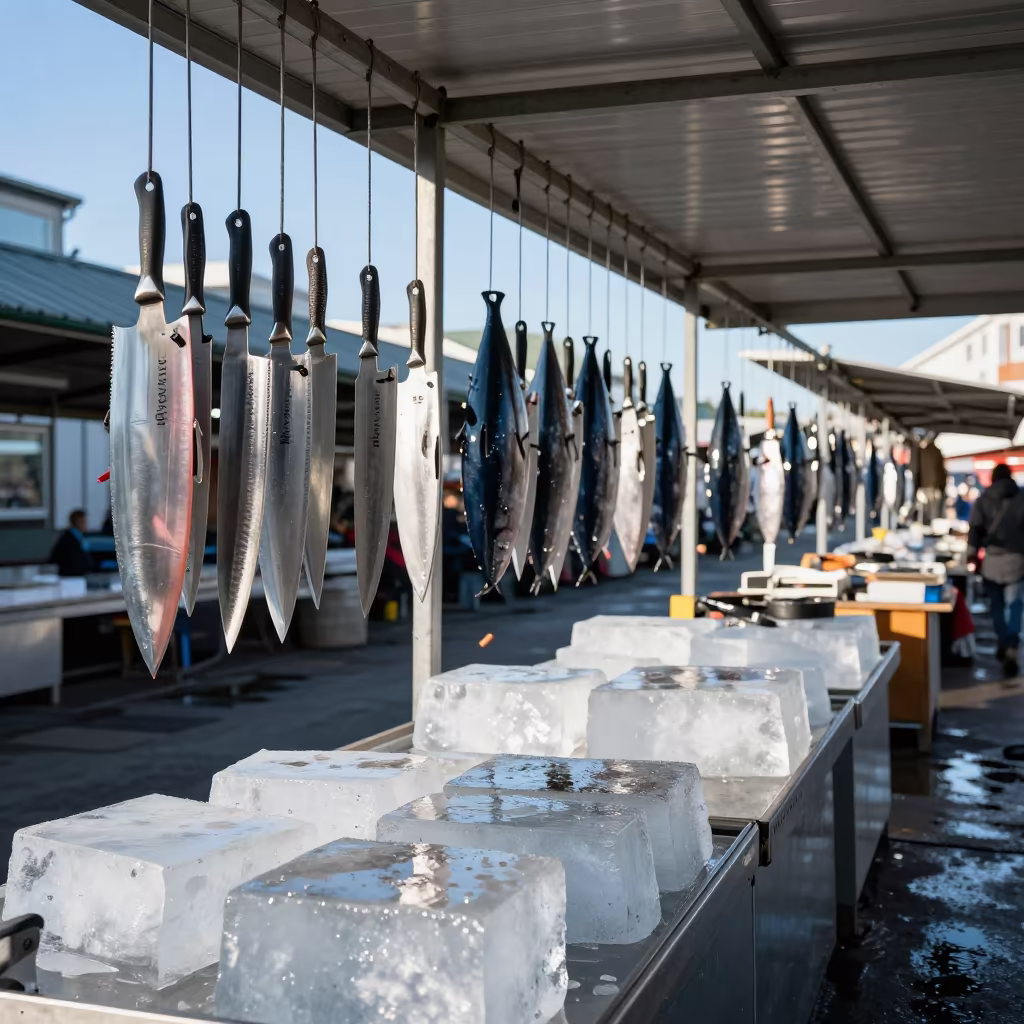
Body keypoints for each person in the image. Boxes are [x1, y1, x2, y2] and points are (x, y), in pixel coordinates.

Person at [968, 464, 1024, 676]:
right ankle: (1011, 642)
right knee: (1016, 605)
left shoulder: (983, 499)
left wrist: (972, 554)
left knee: (997, 607)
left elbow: (975, 530)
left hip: (992, 560)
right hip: (1018, 561)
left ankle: (1004, 640)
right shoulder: (1021, 497)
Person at [49, 509, 92, 577]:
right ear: (78, 522)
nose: (86, 524)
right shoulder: (69, 540)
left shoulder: (78, 538)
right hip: (70, 577)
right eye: (84, 522)